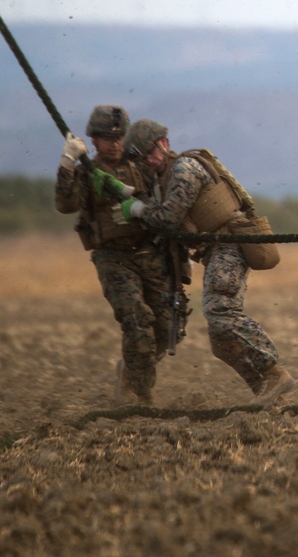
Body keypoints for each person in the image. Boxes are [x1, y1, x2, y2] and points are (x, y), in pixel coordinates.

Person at [101, 119, 295, 408]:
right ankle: (264, 389)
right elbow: (164, 212)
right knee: (219, 339)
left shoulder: (184, 169)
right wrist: (130, 196)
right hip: (215, 249)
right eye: (142, 158)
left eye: (150, 154)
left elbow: (168, 219)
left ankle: (273, 373)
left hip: (229, 244)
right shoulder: (162, 176)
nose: (148, 162)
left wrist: (139, 210)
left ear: (164, 144)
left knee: (220, 311)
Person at [54, 105, 174, 407]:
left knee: (168, 325)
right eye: (106, 137)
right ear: (93, 140)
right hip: (114, 258)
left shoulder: (143, 167)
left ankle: (132, 370)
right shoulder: (88, 173)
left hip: (150, 253)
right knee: (137, 320)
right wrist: (68, 163)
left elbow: (165, 201)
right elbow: (66, 204)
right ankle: (141, 394)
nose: (114, 143)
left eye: (119, 136)